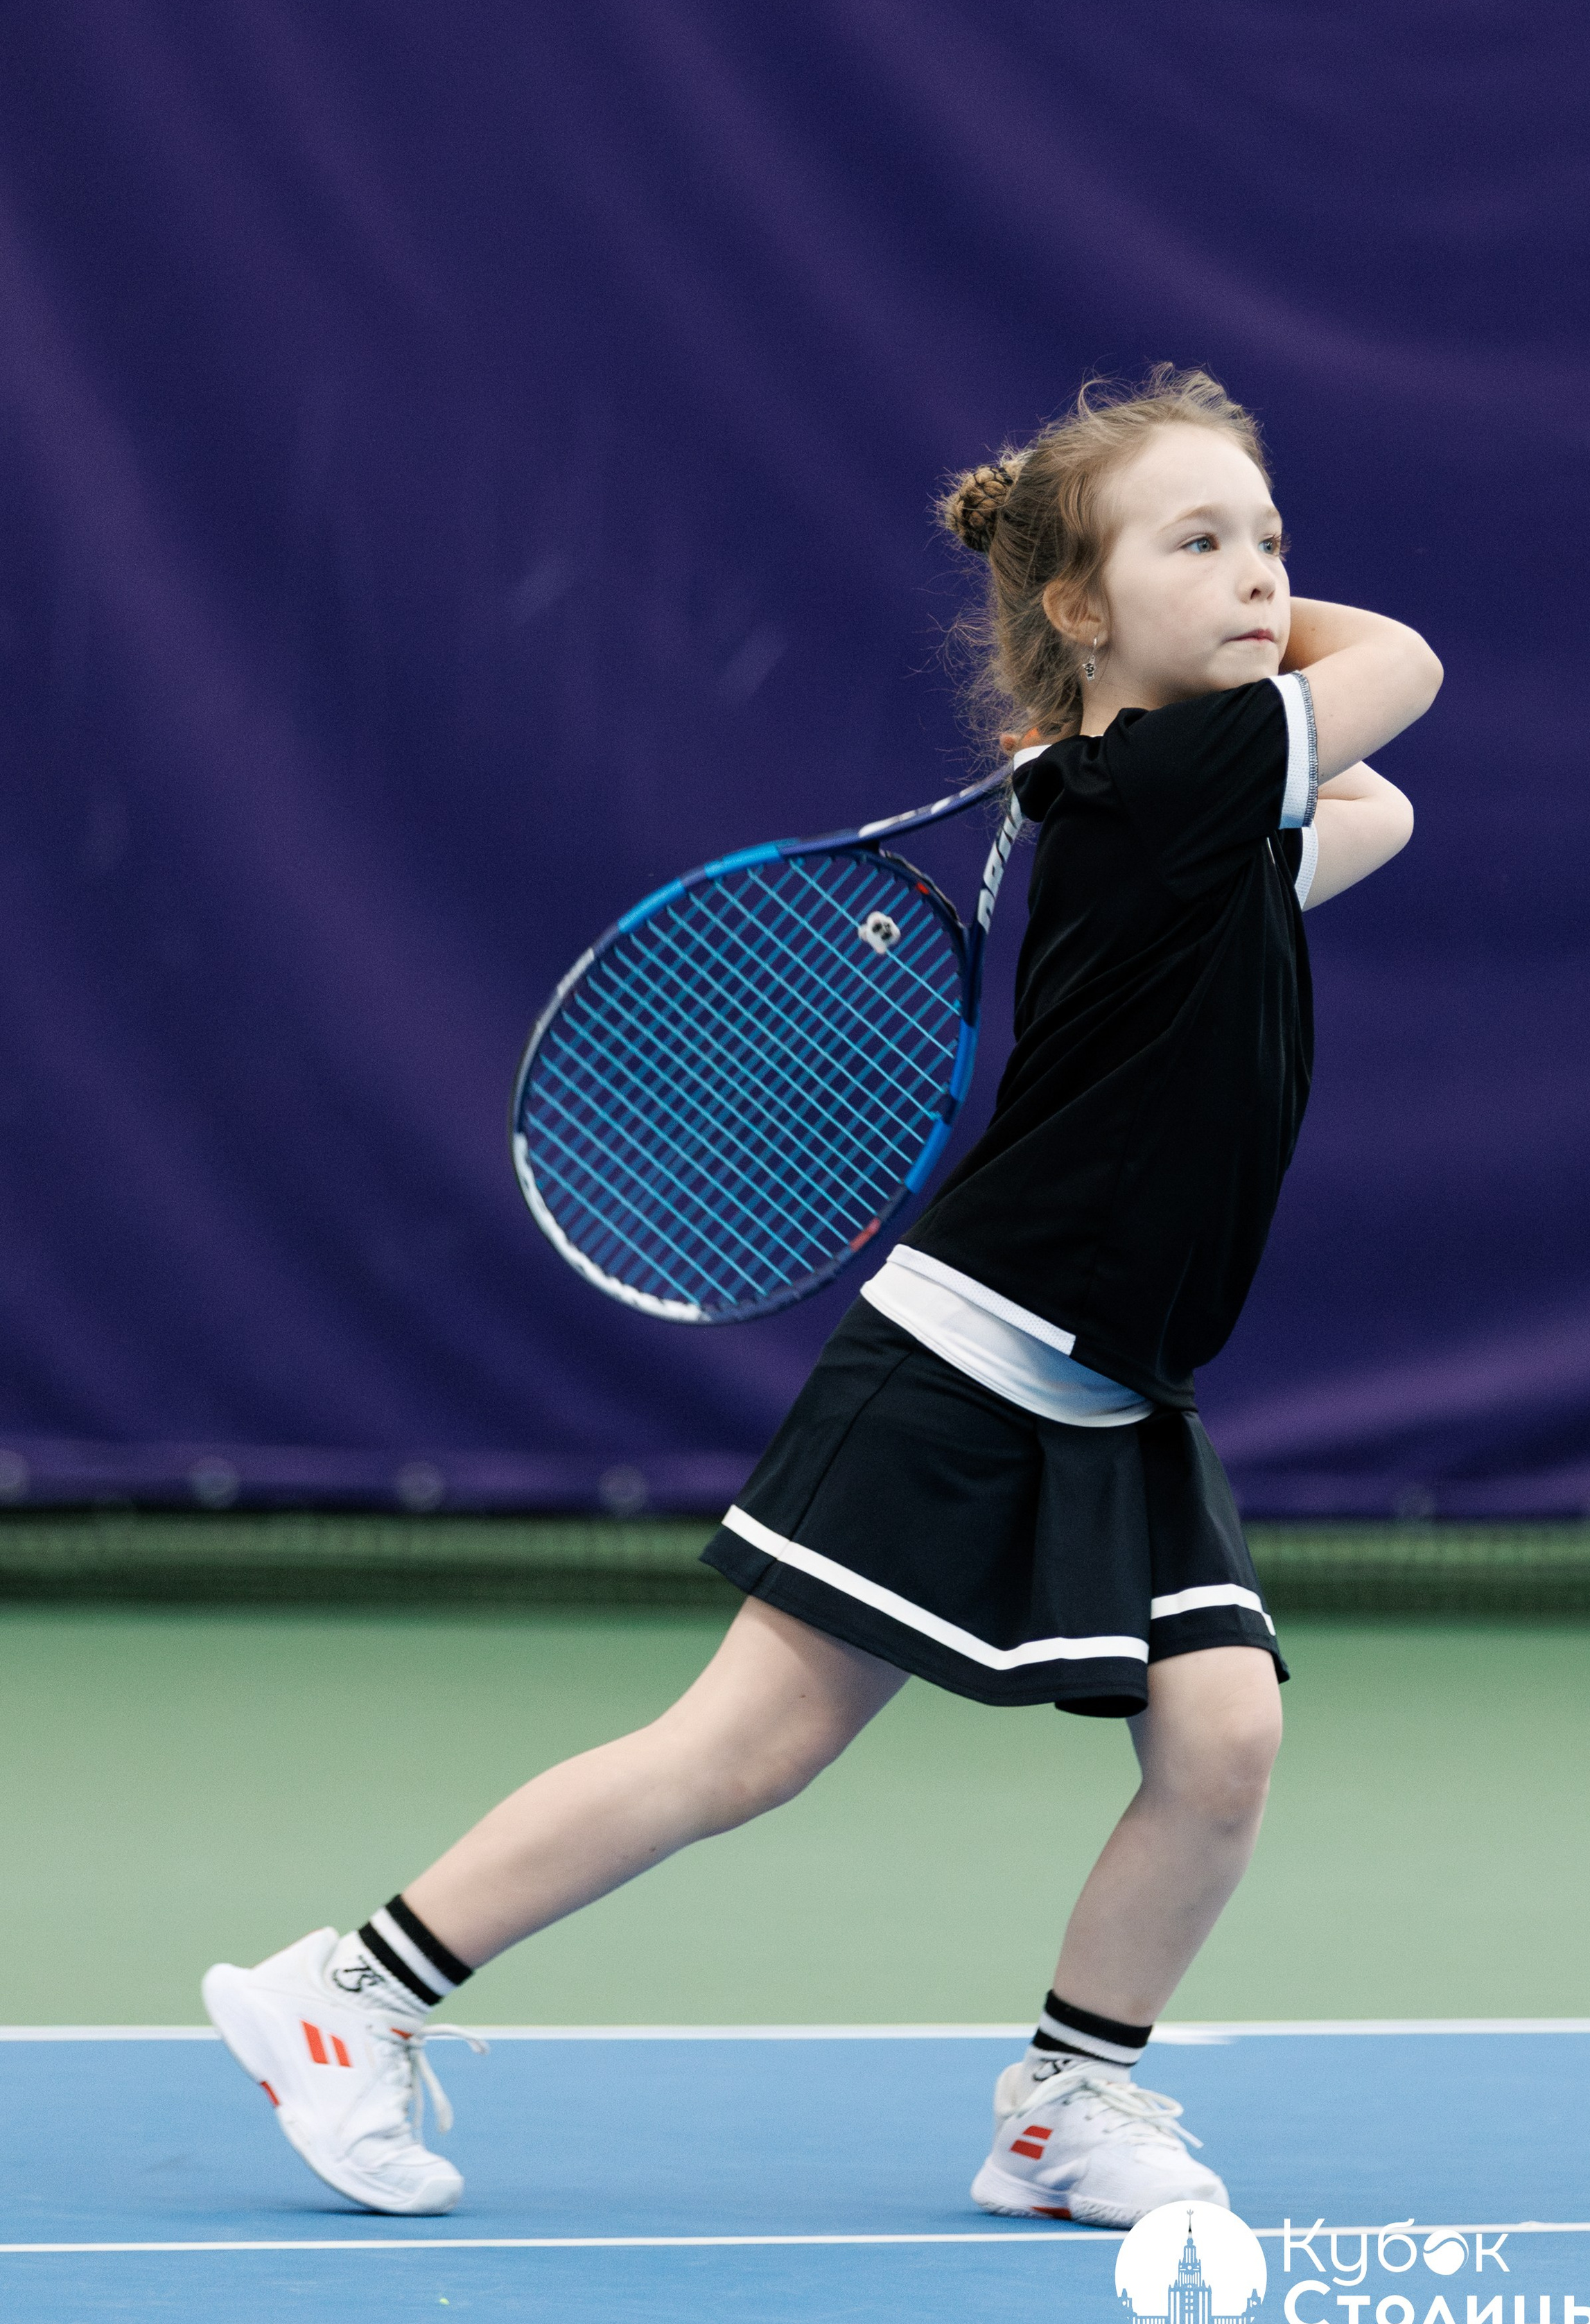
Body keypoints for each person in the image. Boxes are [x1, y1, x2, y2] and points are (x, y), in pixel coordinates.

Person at [203, 366, 1441, 2226]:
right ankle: (346, 1995)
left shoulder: (1172, 804)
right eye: (1203, 542)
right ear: (1080, 609)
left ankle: (1066, 2108)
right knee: (747, 1746)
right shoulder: (1170, 779)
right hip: (978, 1355)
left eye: (1274, 539)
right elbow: (1402, 671)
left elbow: (1381, 813)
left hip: (1119, 1380)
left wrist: (1199, 608)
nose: (1265, 576)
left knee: (1223, 1739)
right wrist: (1249, 642)